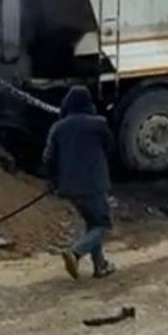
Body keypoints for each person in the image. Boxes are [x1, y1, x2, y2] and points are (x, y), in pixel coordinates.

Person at [42, 84, 117, 280]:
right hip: (93, 185)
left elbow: (48, 159)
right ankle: (75, 253)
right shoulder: (98, 124)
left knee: (92, 223)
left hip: (68, 188)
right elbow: (111, 147)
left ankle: (100, 266)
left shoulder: (58, 128)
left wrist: (52, 181)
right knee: (103, 224)